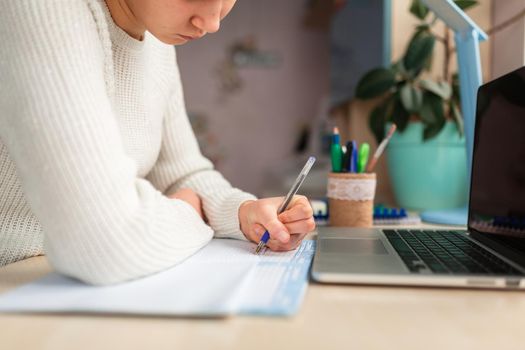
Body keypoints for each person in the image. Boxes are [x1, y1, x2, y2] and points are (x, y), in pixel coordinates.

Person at [0, 0, 315, 285]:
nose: (212, 23)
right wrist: (189, 212)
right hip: (14, 286)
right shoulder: (41, 8)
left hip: (65, 287)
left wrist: (242, 212)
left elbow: (181, 174)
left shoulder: (155, 38)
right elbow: (102, 244)